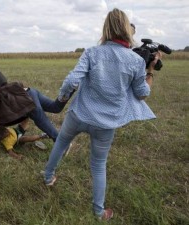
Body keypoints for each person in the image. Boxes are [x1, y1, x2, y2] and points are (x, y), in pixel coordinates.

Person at [43, 8, 162, 221]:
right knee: (98, 165)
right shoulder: (136, 61)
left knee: (61, 143)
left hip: (79, 114)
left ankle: (48, 177)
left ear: (106, 28)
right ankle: (99, 212)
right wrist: (150, 70)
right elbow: (142, 94)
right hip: (106, 124)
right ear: (127, 30)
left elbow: (71, 81)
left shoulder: (91, 52)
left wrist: (61, 100)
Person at [0, 70, 73, 142]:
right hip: (29, 92)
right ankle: (69, 89)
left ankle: (62, 143)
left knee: (40, 119)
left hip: (26, 100)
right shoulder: (3, 93)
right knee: (55, 107)